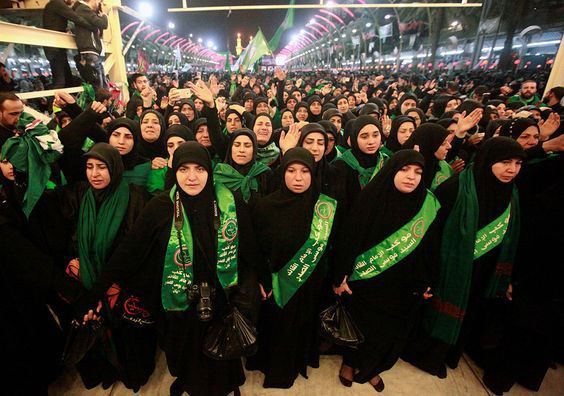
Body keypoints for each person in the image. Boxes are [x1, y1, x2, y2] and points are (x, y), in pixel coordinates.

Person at [75, 142, 261, 396]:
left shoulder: (230, 202)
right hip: (178, 300)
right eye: (184, 169)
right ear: (175, 172)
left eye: (199, 169)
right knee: (185, 351)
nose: (192, 177)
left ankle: (224, 387)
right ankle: (188, 382)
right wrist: (95, 293)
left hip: (221, 298)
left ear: (209, 171)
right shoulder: (161, 206)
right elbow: (127, 254)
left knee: (221, 350)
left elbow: (250, 246)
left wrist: (263, 281)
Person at [403, 137, 525, 379]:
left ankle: (452, 352)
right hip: (448, 268)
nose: (512, 169)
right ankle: (428, 356)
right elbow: (431, 235)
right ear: (489, 160)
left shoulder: (511, 193)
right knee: (439, 313)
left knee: (469, 311)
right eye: (505, 162)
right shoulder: (455, 188)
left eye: (518, 163)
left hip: (484, 270)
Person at [333, 150, 440, 392]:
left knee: (385, 332)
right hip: (365, 280)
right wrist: (341, 275)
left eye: (418, 172)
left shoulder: (427, 204)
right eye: (404, 170)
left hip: (402, 285)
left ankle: (371, 368)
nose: (411, 177)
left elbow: (430, 249)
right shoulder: (372, 197)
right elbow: (349, 238)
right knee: (358, 326)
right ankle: (349, 363)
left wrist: (425, 282)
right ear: (391, 170)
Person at [247, 148, 339, 389]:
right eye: (291, 170)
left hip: (309, 283)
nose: (298, 178)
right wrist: (261, 278)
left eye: (305, 171)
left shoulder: (324, 208)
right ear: (282, 173)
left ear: (314, 173)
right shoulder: (265, 207)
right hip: (274, 284)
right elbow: (254, 247)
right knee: (274, 328)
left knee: (299, 328)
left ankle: (294, 364)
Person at [333, 116, 389, 213]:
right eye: (364, 137)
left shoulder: (386, 162)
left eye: (375, 135)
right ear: (354, 138)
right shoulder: (342, 165)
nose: (371, 142)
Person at [42, 0, 97, 88]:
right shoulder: (57, 4)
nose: (74, 1)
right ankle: (55, 101)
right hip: (55, 47)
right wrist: (93, 28)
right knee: (61, 81)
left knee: (66, 80)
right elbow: (76, 18)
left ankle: (60, 100)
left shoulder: (54, 4)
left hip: (55, 47)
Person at [213, 128, 274, 206]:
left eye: (247, 146)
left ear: (254, 149)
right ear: (230, 148)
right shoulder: (220, 174)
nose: (242, 150)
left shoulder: (265, 174)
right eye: (237, 145)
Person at [402, 123, 454, 190]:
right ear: (428, 145)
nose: (449, 146)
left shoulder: (439, 165)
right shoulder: (403, 167)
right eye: (443, 144)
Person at [72, 0, 108, 88]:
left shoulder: (82, 10)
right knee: (98, 84)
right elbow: (103, 24)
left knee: (100, 82)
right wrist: (104, 15)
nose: (99, 4)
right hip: (89, 50)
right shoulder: (84, 9)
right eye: (99, 1)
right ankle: (99, 100)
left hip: (90, 51)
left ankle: (101, 100)